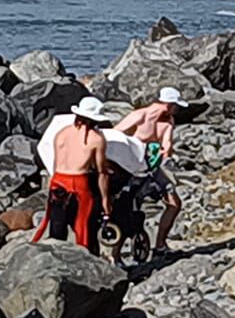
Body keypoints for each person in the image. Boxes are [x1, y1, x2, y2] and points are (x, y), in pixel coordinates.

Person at [33, 97, 113, 252]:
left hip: (58, 180)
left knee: (57, 226)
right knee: (83, 227)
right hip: (79, 183)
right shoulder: (96, 139)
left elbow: (55, 162)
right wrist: (105, 199)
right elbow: (101, 172)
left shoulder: (61, 133)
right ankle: (86, 260)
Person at [113, 86, 185, 253]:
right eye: (176, 106)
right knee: (127, 209)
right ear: (169, 105)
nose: (177, 110)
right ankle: (114, 253)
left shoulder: (167, 121)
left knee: (174, 203)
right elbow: (115, 135)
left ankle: (160, 244)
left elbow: (167, 144)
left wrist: (165, 150)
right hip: (131, 168)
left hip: (151, 168)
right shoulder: (139, 116)